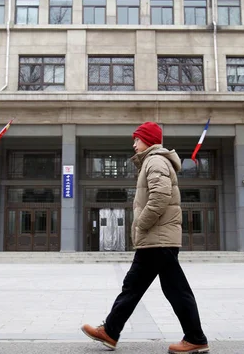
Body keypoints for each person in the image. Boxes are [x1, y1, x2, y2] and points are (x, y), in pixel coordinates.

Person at [81, 122, 209, 354]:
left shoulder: (155, 160)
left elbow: (160, 196)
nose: (133, 143)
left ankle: (195, 338)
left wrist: (141, 223)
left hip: (157, 238)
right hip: (157, 239)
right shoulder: (153, 161)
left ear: (148, 140)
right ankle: (110, 331)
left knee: (172, 289)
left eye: (137, 139)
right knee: (136, 286)